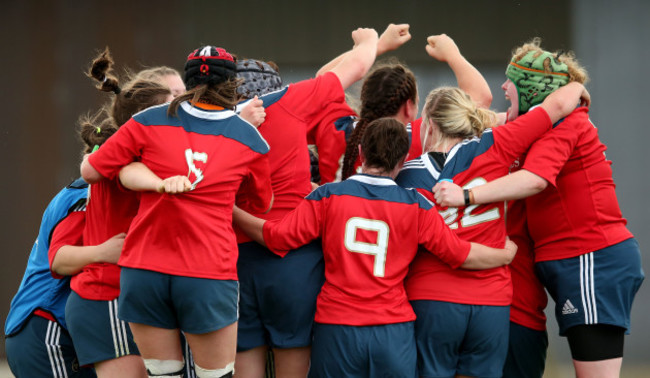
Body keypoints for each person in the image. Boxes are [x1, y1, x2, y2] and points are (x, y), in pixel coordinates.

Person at [232, 117, 519, 378]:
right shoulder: (416, 205)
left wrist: (230, 209)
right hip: (393, 330)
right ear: (404, 159)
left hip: (338, 327)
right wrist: (504, 254)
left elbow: (276, 237)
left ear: (360, 154)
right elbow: (459, 253)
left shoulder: (328, 195)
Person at [433, 38, 644, 378]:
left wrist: (467, 196)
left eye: (511, 80)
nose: (503, 86)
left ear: (530, 89)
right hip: (574, 259)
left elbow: (534, 180)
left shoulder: (566, 121)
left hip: (589, 255)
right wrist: (455, 57)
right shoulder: (539, 122)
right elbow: (476, 113)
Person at [81, 45, 273, 378]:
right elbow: (260, 204)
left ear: (187, 82)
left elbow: (91, 172)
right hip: (206, 272)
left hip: (144, 270)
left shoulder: (146, 120)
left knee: (163, 373)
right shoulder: (250, 139)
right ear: (232, 85)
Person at [395, 81, 587, 377]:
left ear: (430, 124)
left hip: (432, 298)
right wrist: (576, 84)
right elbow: (559, 105)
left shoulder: (406, 175)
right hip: (491, 302)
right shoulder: (496, 142)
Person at [231, 28, 380, 378]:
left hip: (233, 259)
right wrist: (370, 40)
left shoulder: (215, 117)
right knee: (293, 361)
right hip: (293, 259)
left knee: (244, 359)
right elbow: (355, 67)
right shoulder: (289, 100)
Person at [56, 48, 177, 378]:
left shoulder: (153, 150)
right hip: (107, 294)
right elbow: (101, 169)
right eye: (175, 101)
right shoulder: (121, 151)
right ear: (145, 118)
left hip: (134, 295)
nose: (185, 110)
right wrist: (162, 184)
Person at [339, 33, 493, 181]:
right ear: (408, 107)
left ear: (365, 98)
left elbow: (324, 81)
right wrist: (452, 54)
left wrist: (373, 47)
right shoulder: (417, 135)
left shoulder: (337, 128)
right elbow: (481, 99)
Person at [4, 177, 98, 378]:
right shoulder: (87, 196)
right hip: (46, 327)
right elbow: (60, 261)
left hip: (46, 329)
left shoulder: (83, 192)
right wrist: (107, 251)